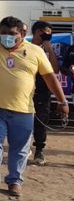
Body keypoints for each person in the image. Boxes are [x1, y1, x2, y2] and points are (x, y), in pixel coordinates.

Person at [0, 0, 69, 197]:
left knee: (20, 148)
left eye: (12, 34)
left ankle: (15, 181)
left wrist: (62, 101)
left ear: (22, 34)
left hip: (23, 110)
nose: (7, 37)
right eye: (3, 33)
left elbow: (50, 78)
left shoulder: (36, 51)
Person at [29, 21, 59, 166]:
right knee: (22, 121)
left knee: (40, 121)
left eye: (50, 33)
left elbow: (55, 70)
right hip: (25, 91)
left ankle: (39, 150)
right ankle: (23, 148)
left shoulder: (48, 50)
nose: (48, 35)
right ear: (36, 32)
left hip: (43, 92)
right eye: (45, 32)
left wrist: (49, 50)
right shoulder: (26, 48)